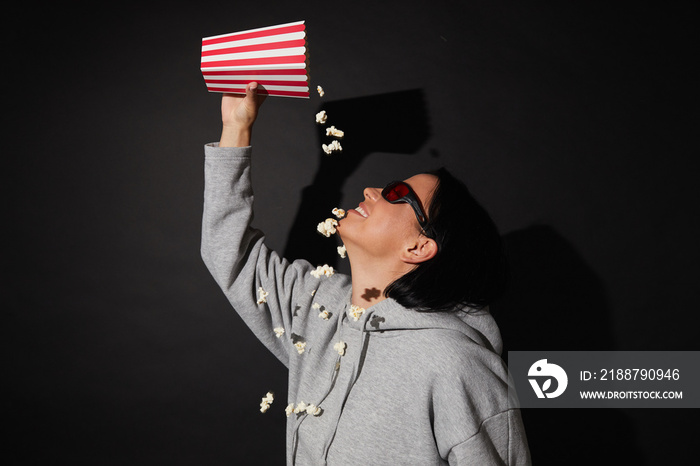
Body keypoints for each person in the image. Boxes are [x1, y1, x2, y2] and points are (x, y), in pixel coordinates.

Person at [201, 82, 531, 465]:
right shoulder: (319, 308)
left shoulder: (456, 366)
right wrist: (236, 127)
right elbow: (232, 256)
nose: (374, 190)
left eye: (396, 194)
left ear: (420, 247)